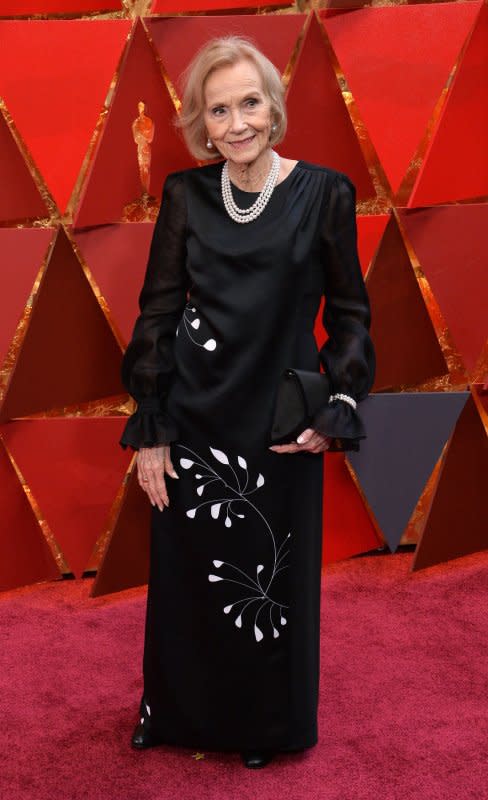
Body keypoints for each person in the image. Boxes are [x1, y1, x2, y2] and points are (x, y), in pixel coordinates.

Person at [119, 35, 375, 769]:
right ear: (202, 121)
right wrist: (153, 429)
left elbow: (351, 315)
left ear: (274, 106)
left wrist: (337, 406)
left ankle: (262, 725)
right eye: (219, 109)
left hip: (277, 425)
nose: (237, 123)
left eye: (250, 103)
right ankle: (171, 713)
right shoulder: (185, 196)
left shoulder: (324, 193)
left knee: (269, 584)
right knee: (184, 576)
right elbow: (159, 314)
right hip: (194, 416)